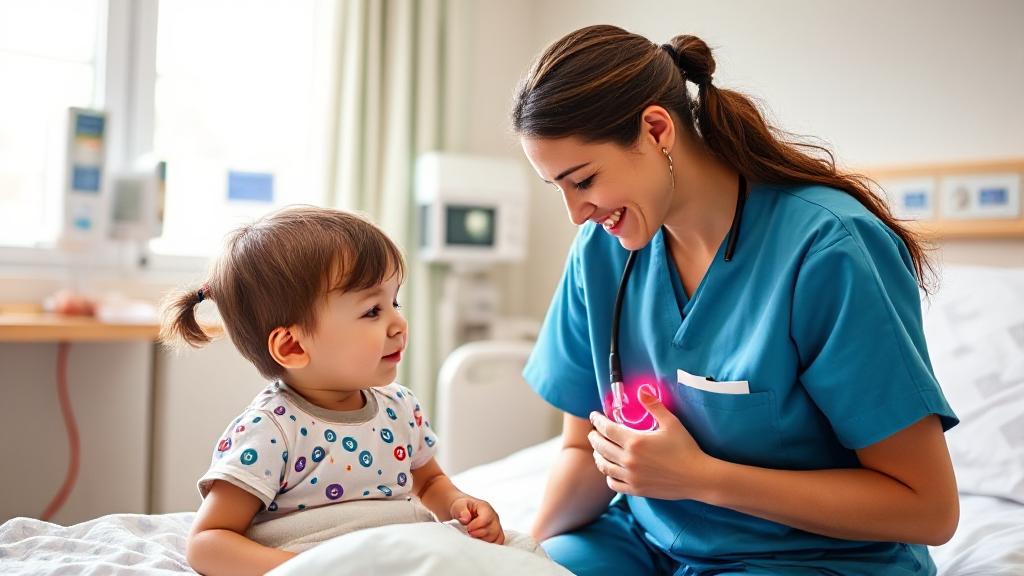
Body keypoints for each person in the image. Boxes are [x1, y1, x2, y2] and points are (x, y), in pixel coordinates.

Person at [512, 25, 959, 575]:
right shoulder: (601, 254)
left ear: (656, 130)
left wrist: (700, 477)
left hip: (804, 558)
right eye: (557, 187)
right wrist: (519, 554)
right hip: (643, 540)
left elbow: (928, 508)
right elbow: (585, 452)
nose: (576, 213)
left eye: (583, 180)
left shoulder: (827, 250)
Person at [161, 206, 505, 576]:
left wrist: (459, 504)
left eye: (395, 302)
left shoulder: (401, 408)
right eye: (373, 311)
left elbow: (431, 482)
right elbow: (208, 541)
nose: (398, 323)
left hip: (404, 556)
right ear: (292, 347)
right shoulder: (272, 431)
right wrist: (304, 570)